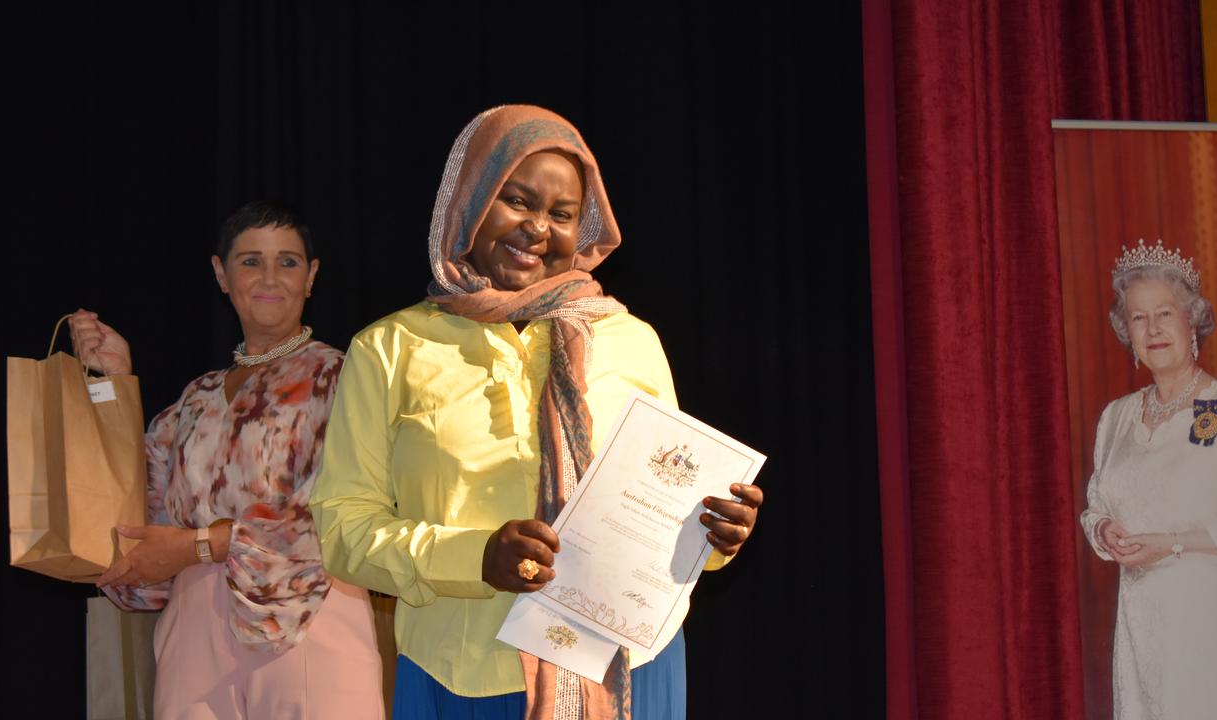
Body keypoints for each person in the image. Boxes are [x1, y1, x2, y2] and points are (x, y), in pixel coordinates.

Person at [310, 105, 764, 719]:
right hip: (465, 678)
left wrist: (713, 534)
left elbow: (659, 503)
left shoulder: (630, 339)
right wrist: (476, 558)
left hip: (627, 669)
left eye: (561, 215)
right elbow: (344, 532)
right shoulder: (390, 348)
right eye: (516, 201)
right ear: (470, 201)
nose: (536, 229)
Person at [70, 201, 383, 719]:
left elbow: (342, 517)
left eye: (288, 262)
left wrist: (197, 546)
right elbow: (136, 506)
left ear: (312, 277)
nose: (269, 277)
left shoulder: (347, 379)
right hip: (194, 634)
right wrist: (116, 382)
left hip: (310, 622)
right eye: (250, 261)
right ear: (221, 273)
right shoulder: (195, 398)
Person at [1080, 239, 1217, 719]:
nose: (1153, 328)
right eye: (1139, 318)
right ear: (1127, 331)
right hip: (1141, 627)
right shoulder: (1116, 418)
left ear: (1192, 321)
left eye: (1165, 313)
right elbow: (1095, 507)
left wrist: (1172, 544)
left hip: (1210, 622)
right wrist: (1104, 531)